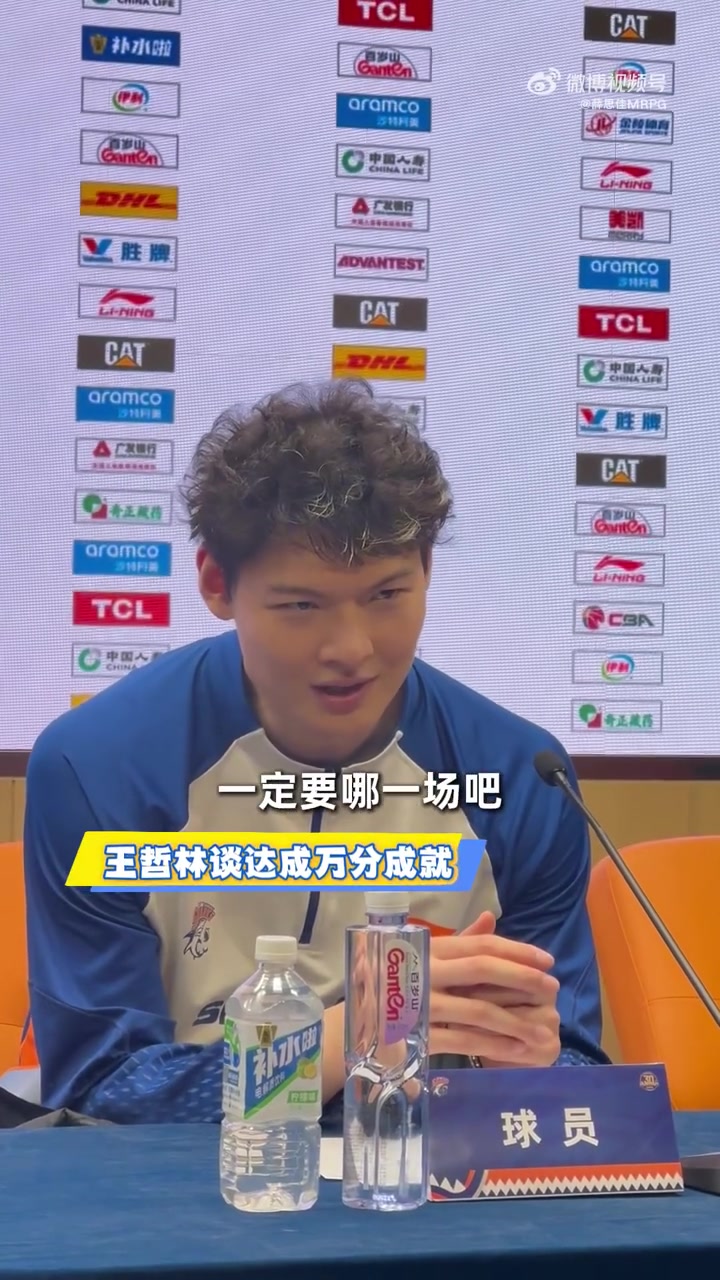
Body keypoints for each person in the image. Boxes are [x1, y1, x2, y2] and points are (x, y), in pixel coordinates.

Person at [22, 379, 608, 1124]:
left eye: (387, 596)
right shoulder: (97, 769)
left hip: (422, 1174)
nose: (351, 649)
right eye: (302, 605)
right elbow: (104, 1090)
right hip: (189, 1183)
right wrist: (357, 1032)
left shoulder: (523, 777)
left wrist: (524, 1063)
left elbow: (578, 1072)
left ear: (428, 569)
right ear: (216, 584)